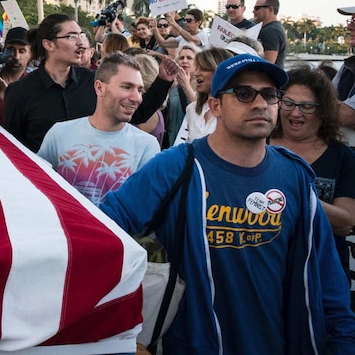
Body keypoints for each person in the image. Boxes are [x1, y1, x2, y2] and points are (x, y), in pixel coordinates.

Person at [102, 54, 355, 352]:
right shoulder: (176, 166)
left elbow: (326, 276)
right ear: (215, 105)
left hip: (279, 342)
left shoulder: (294, 174)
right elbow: (105, 230)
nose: (260, 103)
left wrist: (343, 343)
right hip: (195, 343)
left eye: (270, 94)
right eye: (244, 93)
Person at [5, 13, 178, 152]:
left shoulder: (94, 81)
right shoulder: (20, 91)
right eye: (72, 37)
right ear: (49, 45)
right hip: (43, 187)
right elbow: (12, 149)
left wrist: (163, 81)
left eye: (81, 35)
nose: (81, 43)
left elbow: (136, 114)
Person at [37, 53, 160, 206]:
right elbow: (38, 187)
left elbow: (144, 207)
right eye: (127, 87)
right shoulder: (59, 133)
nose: (137, 98)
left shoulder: (147, 146)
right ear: (100, 88)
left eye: (140, 90)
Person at [270, 66, 355, 285]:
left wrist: (300, 196)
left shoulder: (343, 158)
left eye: (306, 106)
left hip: (323, 277)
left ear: (322, 110)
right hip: (269, 274)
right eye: (288, 103)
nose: (295, 113)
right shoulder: (259, 146)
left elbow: (345, 222)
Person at [174, 47, 233, 145]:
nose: (197, 73)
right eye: (197, 68)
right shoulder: (191, 109)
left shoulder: (234, 112)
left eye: (204, 69)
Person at [163, 43, 198, 147]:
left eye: (189, 58)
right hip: (171, 136)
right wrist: (168, 88)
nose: (184, 61)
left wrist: (186, 86)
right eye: (181, 58)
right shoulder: (172, 83)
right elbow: (162, 106)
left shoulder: (203, 85)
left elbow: (201, 109)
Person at [333, 5, 355, 145]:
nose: (349, 27)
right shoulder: (348, 66)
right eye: (351, 19)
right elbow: (319, 100)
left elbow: (346, 116)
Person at [254, 0, 287, 67]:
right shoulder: (273, 28)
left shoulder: (271, 31)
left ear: (270, 9)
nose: (253, 11)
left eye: (257, 8)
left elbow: (268, 64)